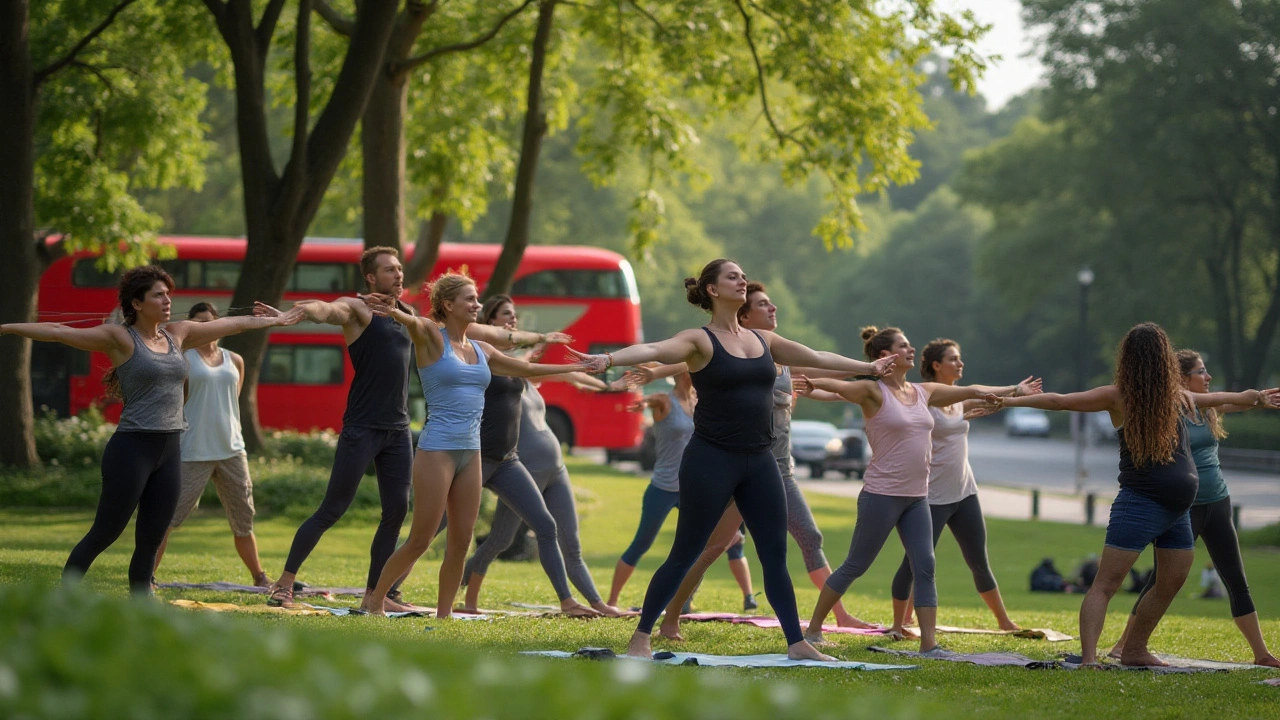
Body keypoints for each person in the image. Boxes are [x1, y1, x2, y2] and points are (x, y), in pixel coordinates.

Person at [570, 259, 898, 661]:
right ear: (712, 290)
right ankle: (641, 636)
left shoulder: (764, 341)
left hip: (760, 461)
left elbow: (815, 355)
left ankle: (797, 643)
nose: (742, 280)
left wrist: (868, 368)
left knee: (775, 554)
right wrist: (608, 360)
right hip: (711, 459)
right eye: (732, 276)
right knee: (685, 551)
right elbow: (656, 350)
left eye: (744, 276)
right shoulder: (699, 340)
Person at [260, 248, 564, 610]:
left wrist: (542, 337)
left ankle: (383, 597)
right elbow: (328, 310)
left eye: (401, 269)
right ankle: (286, 582)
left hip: (400, 428)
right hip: (364, 425)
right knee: (337, 509)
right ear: (371, 277)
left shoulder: (419, 319)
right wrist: (296, 312)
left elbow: (493, 335)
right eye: (390, 270)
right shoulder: (360, 309)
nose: (400, 275)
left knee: (399, 516)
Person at [0, 265, 302, 594]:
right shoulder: (118, 338)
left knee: (152, 536)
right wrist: (6, 328)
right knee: (106, 530)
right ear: (137, 303)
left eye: (168, 293)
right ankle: (65, 594)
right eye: (158, 294)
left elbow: (231, 323)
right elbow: (58, 330)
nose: (168, 299)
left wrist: (277, 319)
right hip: (132, 449)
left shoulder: (177, 334)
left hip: (171, 448)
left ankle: (141, 602)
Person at [992, 323, 1280, 666]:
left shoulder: (1175, 397)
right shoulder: (1118, 396)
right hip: (1139, 504)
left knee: (1171, 581)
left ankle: (1134, 650)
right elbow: (1059, 401)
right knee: (1106, 583)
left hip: (1177, 510)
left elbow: (1219, 399)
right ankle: (1088, 659)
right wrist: (1009, 400)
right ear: (1162, 359)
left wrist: (1255, 398)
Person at [633, 282, 877, 638]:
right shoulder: (736, 348)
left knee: (790, 541)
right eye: (764, 305)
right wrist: (648, 371)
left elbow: (820, 362)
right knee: (706, 546)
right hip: (729, 460)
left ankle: (811, 631)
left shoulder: (774, 351)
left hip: (772, 465)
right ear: (744, 315)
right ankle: (665, 619)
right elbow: (685, 359)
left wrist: (869, 369)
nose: (773, 308)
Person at [356, 274, 589, 617]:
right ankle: (374, 600)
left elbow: (525, 369)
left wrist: (582, 365)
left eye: (477, 298)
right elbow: (413, 321)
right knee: (420, 539)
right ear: (448, 305)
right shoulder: (432, 339)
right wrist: (394, 312)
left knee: (461, 542)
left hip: (472, 452)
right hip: (437, 451)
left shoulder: (482, 350)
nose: (477, 304)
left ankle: (445, 614)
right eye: (470, 299)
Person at [797, 327, 1003, 653]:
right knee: (856, 565)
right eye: (903, 346)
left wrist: (1014, 390)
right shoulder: (872, 391)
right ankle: (813, 630)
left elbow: (972, 390)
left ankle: (929, 644)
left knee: (925, 566)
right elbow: (837, 387)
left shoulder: (923, 392)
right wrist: (813, 383)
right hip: (881, 495)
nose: (911, 349)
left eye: (909, 345)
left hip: (918, 497)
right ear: (884, 356)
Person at [1107, 349, 1280, 667]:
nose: (1208, 377)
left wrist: (1258, 399)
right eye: (1201, 371)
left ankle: (1262, 653)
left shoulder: (1209, 409)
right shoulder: (1169, 409)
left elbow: (1236, 400)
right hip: (1184, 508)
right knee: (1160, 580)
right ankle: (1124, 644)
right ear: (1183, 378)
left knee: (1236, 578)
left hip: (1218, 503)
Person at [455, 295, 622, 616]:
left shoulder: (520, 372)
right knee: (489, 538)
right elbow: (518, 356)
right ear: (488, 322)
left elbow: (562, 374)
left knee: (562, 539)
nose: (513, 320)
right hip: (512, 465)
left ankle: (593, 603)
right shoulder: (486, 362)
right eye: (505, 315)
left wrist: (609, 387)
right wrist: (541, 344)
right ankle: (450, 591)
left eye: (515, 315)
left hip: (550, 468)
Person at [884, 339, 1036, 637]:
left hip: (965, 491)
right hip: (932, 496)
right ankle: (898, 624)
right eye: (953, 359)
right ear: (936, 366)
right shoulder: (924, 397)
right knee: (915, 563)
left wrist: (1016, 394)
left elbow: (988, 398)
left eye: (960, 358)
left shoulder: (958, 401)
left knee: (979, 560)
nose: (960, 363)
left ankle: (1004, 621)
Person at [606, 365, 757, 612]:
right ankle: (611, 603)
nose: (694, 372)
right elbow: (650, 399)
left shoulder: (701, 401)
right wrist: (642, 402)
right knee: (641, 543)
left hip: (693, 488)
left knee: (709, 543)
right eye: (688, 369)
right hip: (663, 487)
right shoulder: (665, 400)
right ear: (677, 373)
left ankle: (687, 601)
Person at [153, 303, 270, 588]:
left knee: (244, 519)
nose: (206, 328)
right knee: (168, 517)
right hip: (192, 450)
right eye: (198, 323)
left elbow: (233, 398)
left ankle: (260, 577)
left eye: (210, 322)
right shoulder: (183, 359)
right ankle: (146, 576)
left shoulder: (235, 360)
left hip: (232, 449)